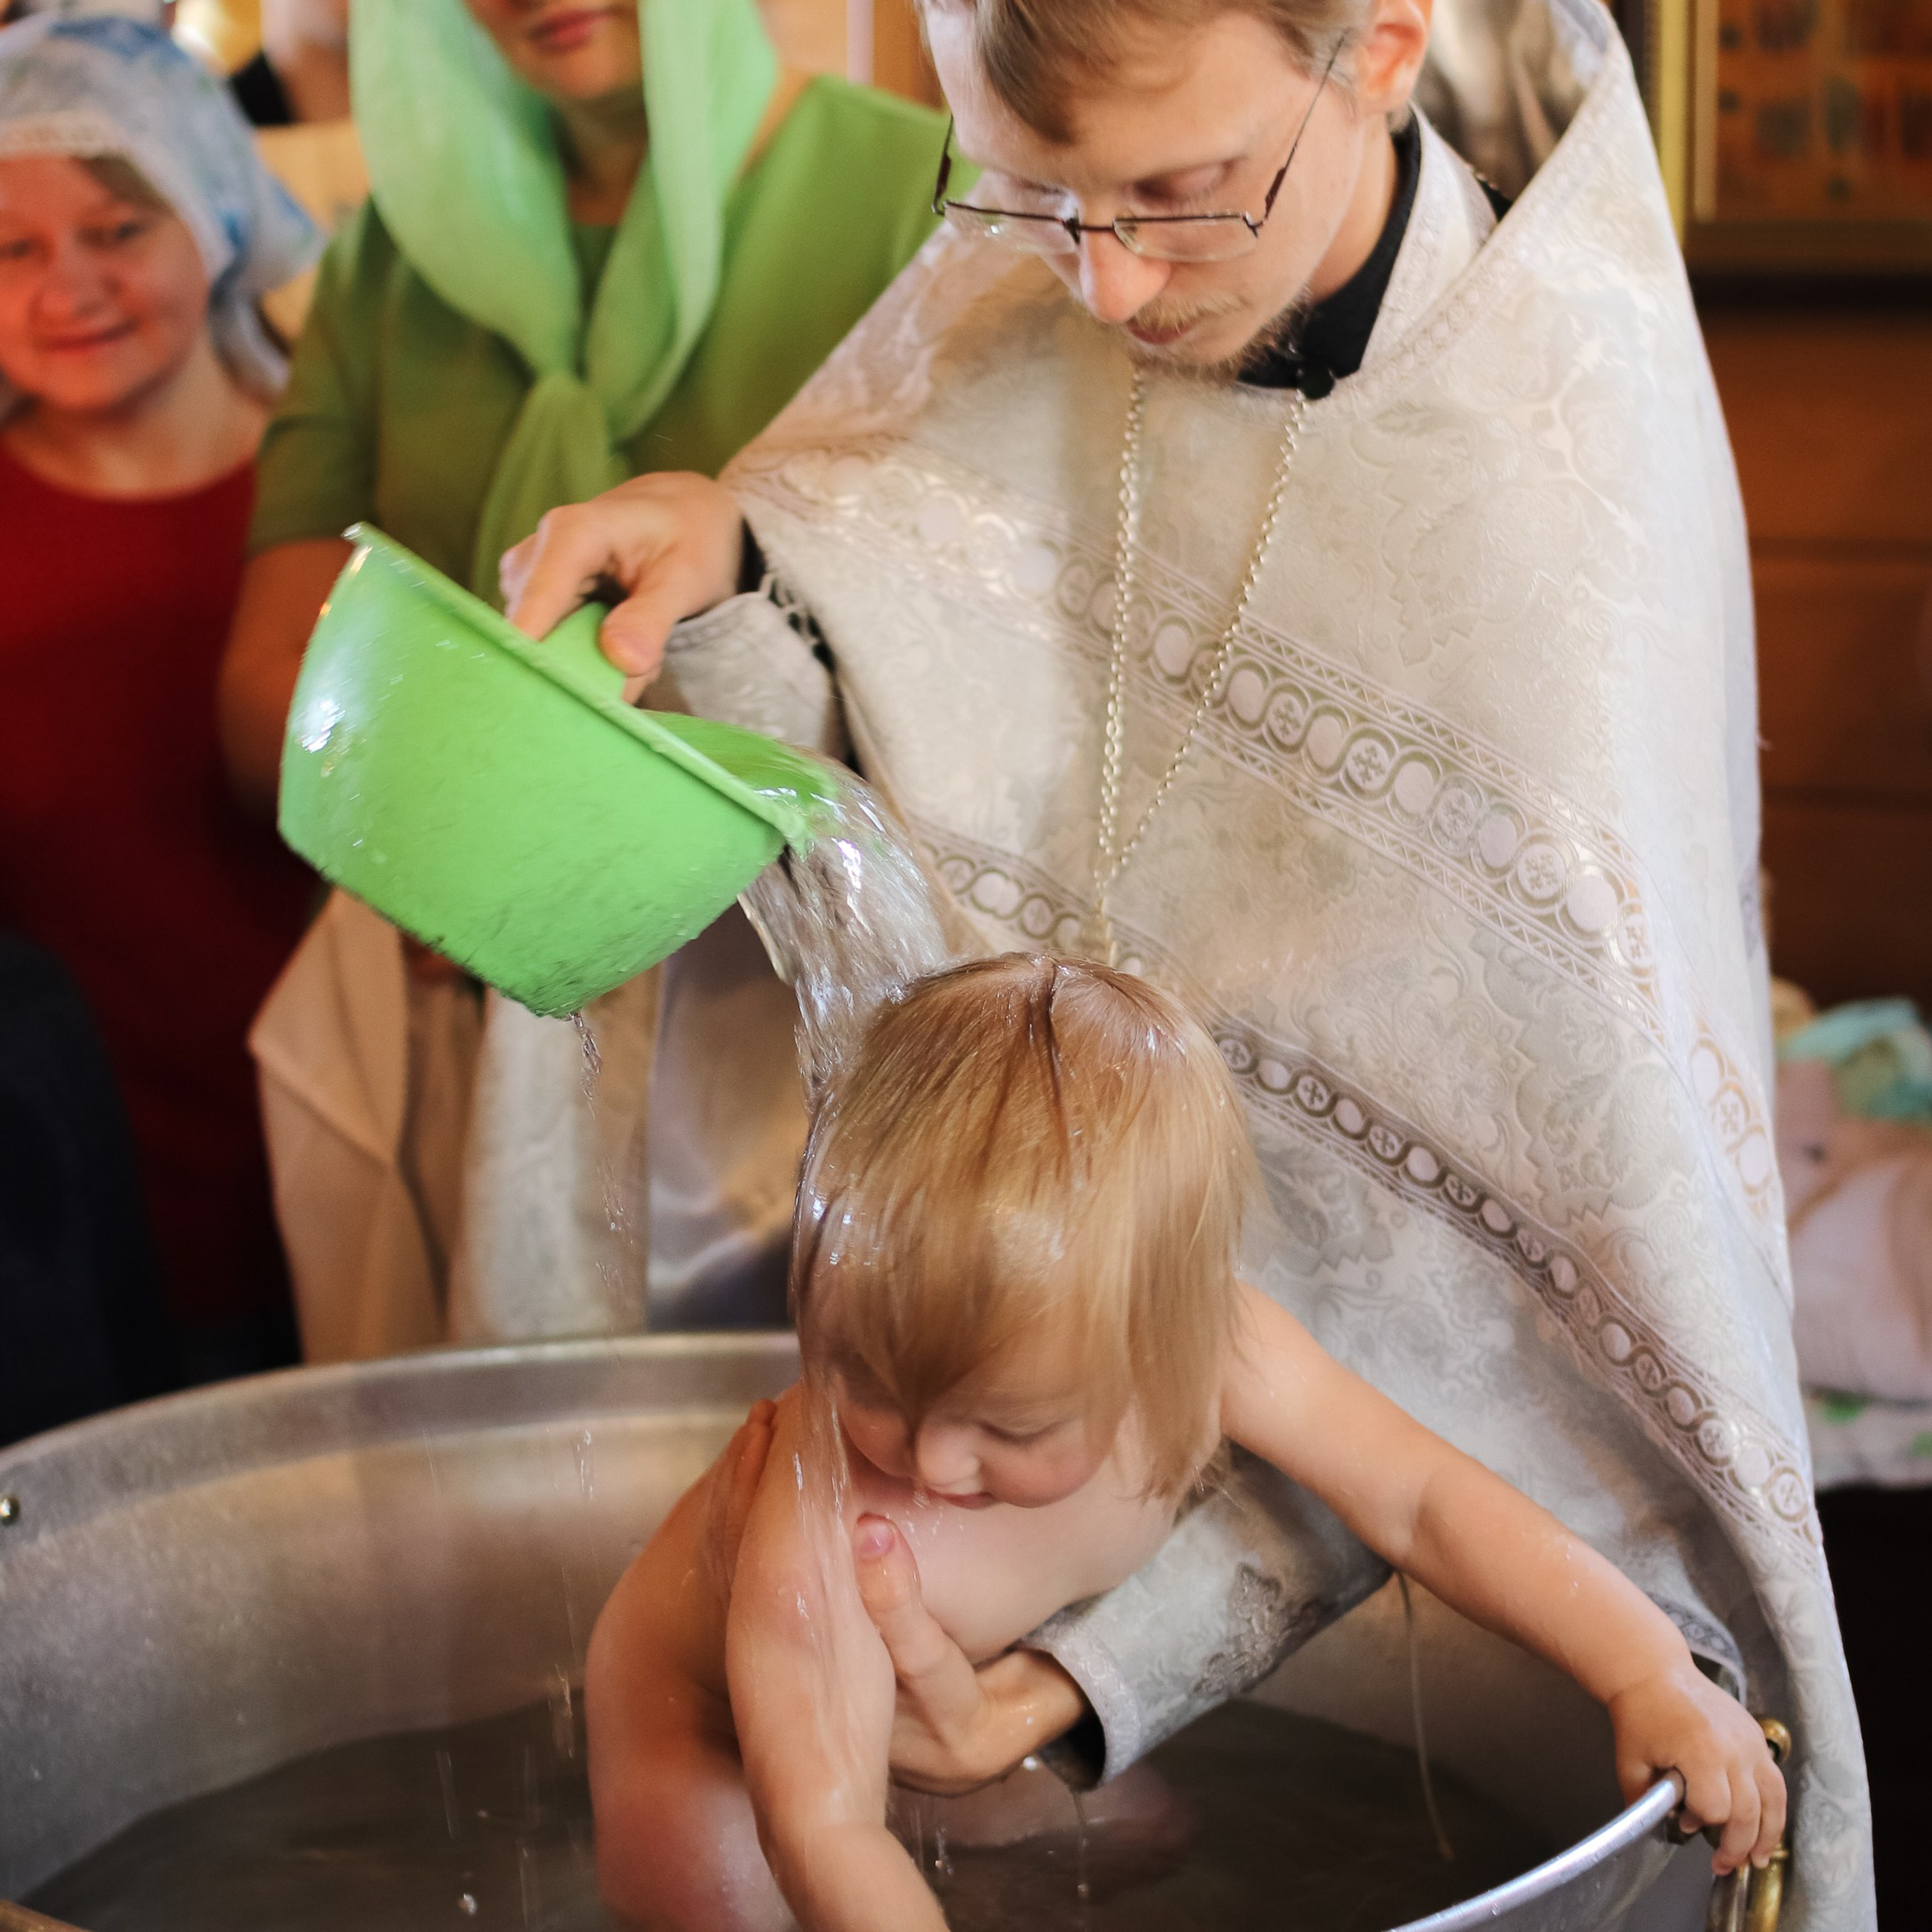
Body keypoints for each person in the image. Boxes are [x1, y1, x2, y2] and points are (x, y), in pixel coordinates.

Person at [500, 0, 1874, 1921]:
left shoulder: (1558, 447)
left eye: (1178, 196)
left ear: (1380, 48)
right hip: (1010, 1239)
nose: (1109, 285)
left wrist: (1099, 1676)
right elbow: (856, 653)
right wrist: (741, 550)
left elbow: (1461, 1394)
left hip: (1113, 1333)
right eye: (1036, 199)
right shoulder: (1059, 264)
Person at [588, 954, 1786, 1930]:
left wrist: (1647, 1672)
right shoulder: (820, 1534)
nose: (930, 1465)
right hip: (703, 1729)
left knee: (1146, 1843)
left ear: (1159, 1339)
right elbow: (825, 1827)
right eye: (866, 1385)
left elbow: (1420, 1500)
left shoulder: (1219, 1346)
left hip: (922, 1710)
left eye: (1011, 1427)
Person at [221, 0, 952, 1361]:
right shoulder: (395, 249)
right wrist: (433, 842)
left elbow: (988, 669)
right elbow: (268, 675)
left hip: (783, 1064)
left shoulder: (924, 197)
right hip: (459, 993)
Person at [0, 13, 321, 1381]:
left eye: (119, 230)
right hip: (56, 1240)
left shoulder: (342, 498)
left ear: (219, 217)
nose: (65, 285)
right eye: (9, 249)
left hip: (340, 1182)